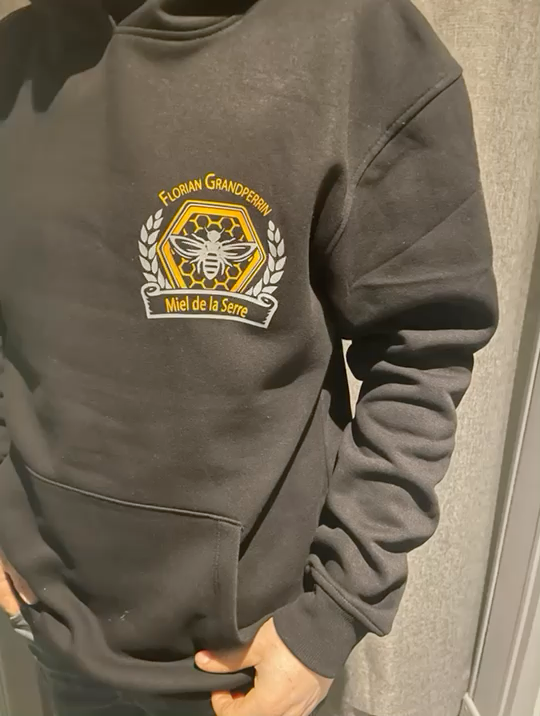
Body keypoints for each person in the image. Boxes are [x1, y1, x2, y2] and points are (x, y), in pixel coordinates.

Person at [0, 0, 498, 714]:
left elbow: (425, 352)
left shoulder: (359, 44)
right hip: (49, 633)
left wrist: (330, 616)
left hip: (246, 667)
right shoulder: (12, 60)